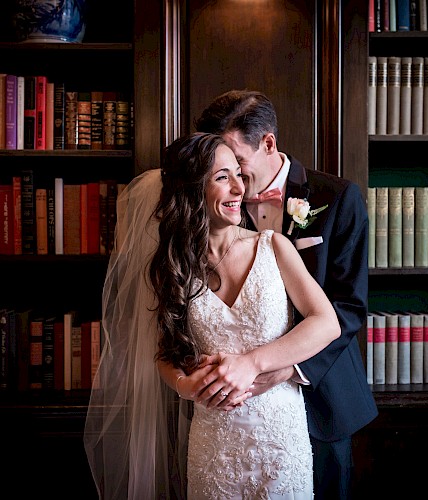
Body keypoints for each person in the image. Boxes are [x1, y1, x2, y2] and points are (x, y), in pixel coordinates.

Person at [84, 131, 341, 499]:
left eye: (239, 172)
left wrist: (251, 363)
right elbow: (163, 352)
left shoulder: (273, 247)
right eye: (223, 177)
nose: (240, 187)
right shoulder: (171, 268)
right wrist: (184, 385)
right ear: (191, 190)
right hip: (214, 444)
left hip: (280, 440)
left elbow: (326, 322)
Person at [194, 90, 379, 500]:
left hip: (322, 399)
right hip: (234, 411)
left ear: (269, 144)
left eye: (238, 164)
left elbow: (348, 307)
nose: (233, 181)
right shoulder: (217, 202)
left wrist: (287, 369)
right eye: (220, 170)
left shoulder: (338, 198)